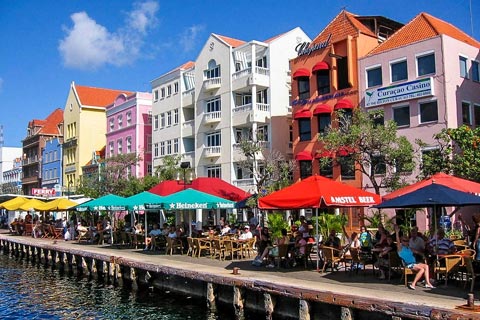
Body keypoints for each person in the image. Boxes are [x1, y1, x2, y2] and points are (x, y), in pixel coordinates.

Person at [395, 225, 435, 290]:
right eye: (405, 241)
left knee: (426, 266)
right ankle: (413, 284)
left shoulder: (409, 248)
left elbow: (417, 252)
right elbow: (398, 242)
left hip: (414, 263)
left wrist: (423, 255)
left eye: (407, 240)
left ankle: (428, 283)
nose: (407, 242)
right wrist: (397, 233)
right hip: (408, 264)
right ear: (402, 241)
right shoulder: (400, 249)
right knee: (421, 269)